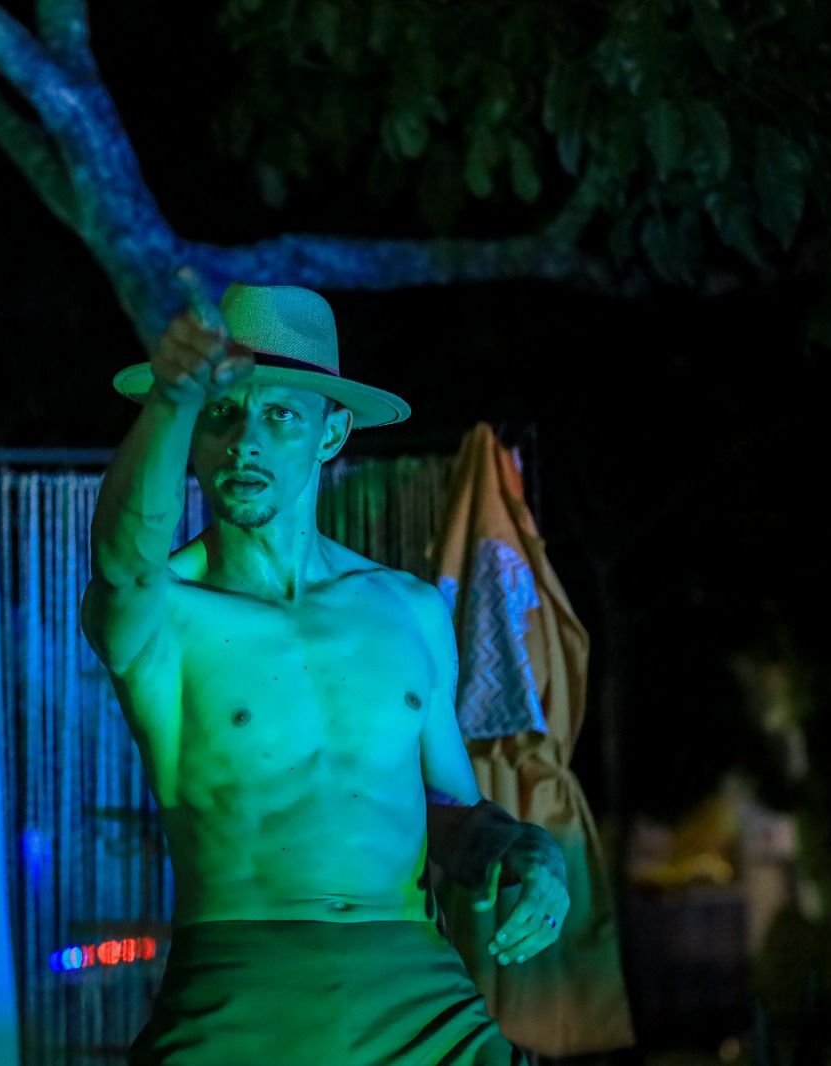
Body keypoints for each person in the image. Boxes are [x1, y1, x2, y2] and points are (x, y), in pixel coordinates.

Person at [82, 280, 570, 1065]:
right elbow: (122, 560)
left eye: (280, 415)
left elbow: (448, 809)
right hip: (241, 992)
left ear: (331, 432)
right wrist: (172, 396)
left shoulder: (409, 609)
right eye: (220, 412)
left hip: (421, 994)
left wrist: (525, 850)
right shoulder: (163, 610)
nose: (245, 441)